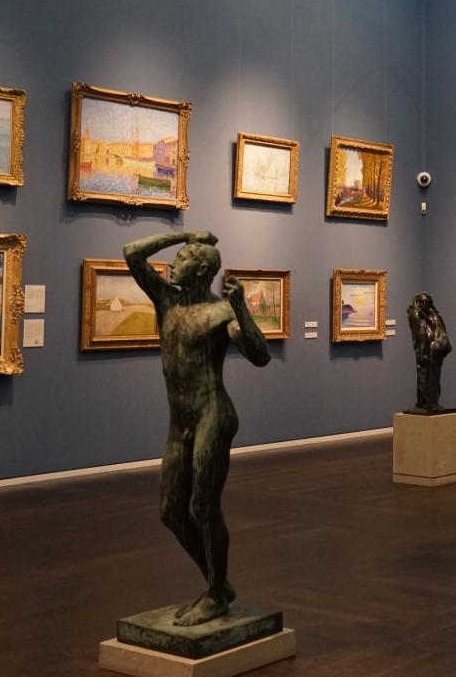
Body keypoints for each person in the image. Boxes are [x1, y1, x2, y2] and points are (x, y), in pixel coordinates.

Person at [123, 230, 269, 628]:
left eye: (184, 256)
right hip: (180, 421)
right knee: (171, 511)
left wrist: (241, 309)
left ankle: (215, 595)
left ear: (202, 269)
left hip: (212, 416)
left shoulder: (220, 313)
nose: (175, 261)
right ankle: (218, 584)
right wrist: (185, 234)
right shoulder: (165, 300)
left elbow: (260, 356)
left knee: (204, 506)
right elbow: (131, 252)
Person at [407, 292, 451, 414]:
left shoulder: (435, 315)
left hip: (435, 351)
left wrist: (438, 343)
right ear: (417, 302)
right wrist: (421, 352)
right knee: (423, 377)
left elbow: (442, 332)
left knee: (434, 378)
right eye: (421, 301)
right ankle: (423, 403)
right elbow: (418, 336)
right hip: (424, 351)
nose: (424, 304)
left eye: (426, 302)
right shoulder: (414, 315)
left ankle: (433, 402)